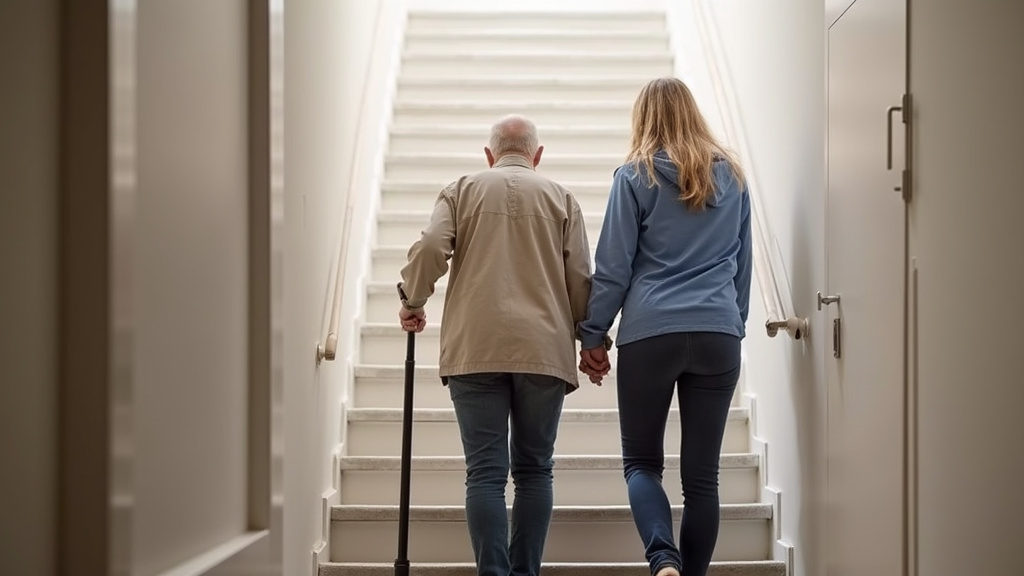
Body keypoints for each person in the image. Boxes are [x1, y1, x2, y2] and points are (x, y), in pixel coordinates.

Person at [397, 115, 593, 576]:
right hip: (544, 352)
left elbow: (430, 247)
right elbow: (581, 277)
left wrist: (413, 299)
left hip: (475, 349)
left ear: (490, 155)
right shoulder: (562, 198)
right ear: (537, 156)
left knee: (484, 473)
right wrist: (591, 340)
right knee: (534, 470)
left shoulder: (461, 189)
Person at [577, 77, 752, 576]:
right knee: (703, 481)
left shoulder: (634, 177)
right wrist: (731, 326)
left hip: (651, 333)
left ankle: (663, 561)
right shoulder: (734, 177)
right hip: (717, 331)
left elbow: (613, 267)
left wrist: (594, 335)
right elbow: (743, 266)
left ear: (643, 118)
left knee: (641, 464)